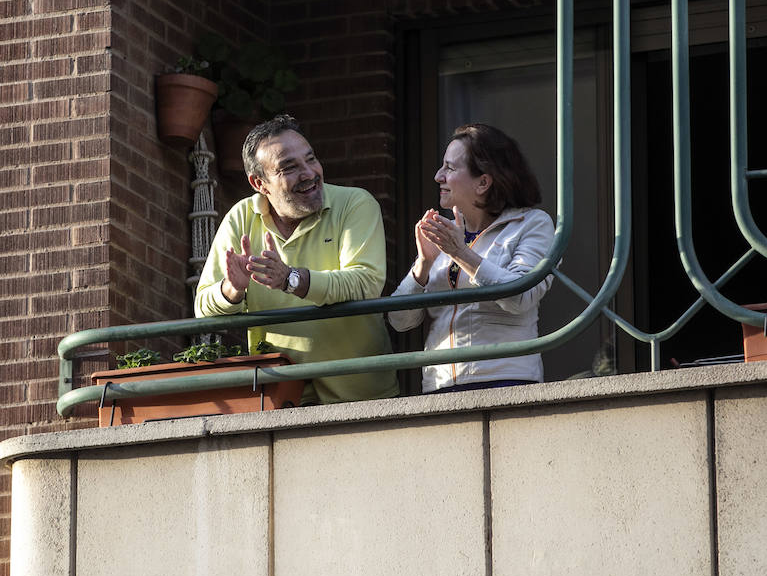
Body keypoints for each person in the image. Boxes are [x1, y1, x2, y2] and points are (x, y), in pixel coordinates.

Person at [195, 115, 398, 404]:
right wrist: (232, 290)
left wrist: (291, 279)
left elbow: (366, 283)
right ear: (259, 183)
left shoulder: (356, 203)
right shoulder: (240, 218)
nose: (309, 173)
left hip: (360, 394)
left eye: (311, 159)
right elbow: (203, 308)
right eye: (289, 167)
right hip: (280, 397)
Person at [388, 123, 554, 392]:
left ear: (483, 182)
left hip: (505, 383)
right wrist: (423, 264)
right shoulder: (448, 232)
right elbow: (399, 321)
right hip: (439, 387)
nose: (438, 176)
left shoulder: (532, 223)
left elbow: (520, 297)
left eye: (450, 168)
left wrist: (460, 253)